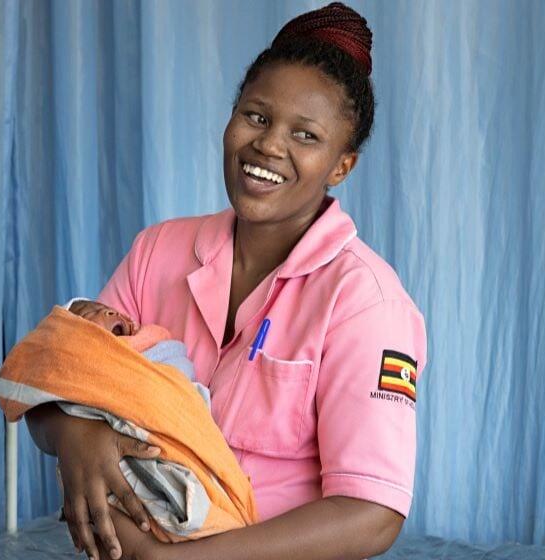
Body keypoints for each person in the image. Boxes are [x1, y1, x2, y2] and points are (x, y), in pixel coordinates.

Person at [25, 3, 427, 559]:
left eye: (306, 135)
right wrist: (74, 435)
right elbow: (57, 381)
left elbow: (372, 514)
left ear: (342, 166)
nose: (269, 145)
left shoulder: (363, 301)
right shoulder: (157, 252)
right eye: (257, 117)